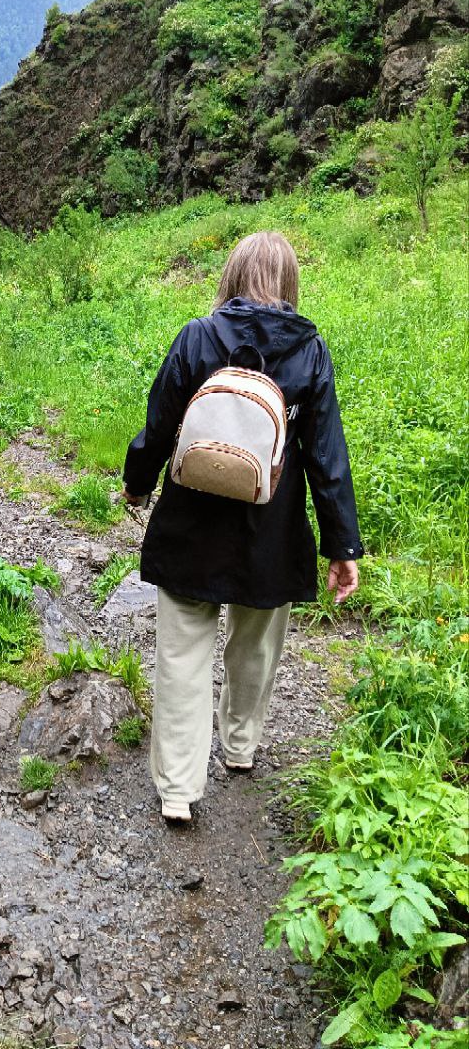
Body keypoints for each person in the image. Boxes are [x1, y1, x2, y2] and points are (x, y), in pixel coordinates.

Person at [122, 231, 362, 823]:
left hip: (190, 521)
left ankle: (178, 789)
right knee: (255, 646)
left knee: (182, 655)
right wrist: (342, 545)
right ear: (290, 283)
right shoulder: (308, 351)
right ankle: (239, 747)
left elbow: (160, 424)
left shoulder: (198, 337)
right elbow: (326, 455)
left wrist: (137, 483)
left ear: (231, 275)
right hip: (270, 530)